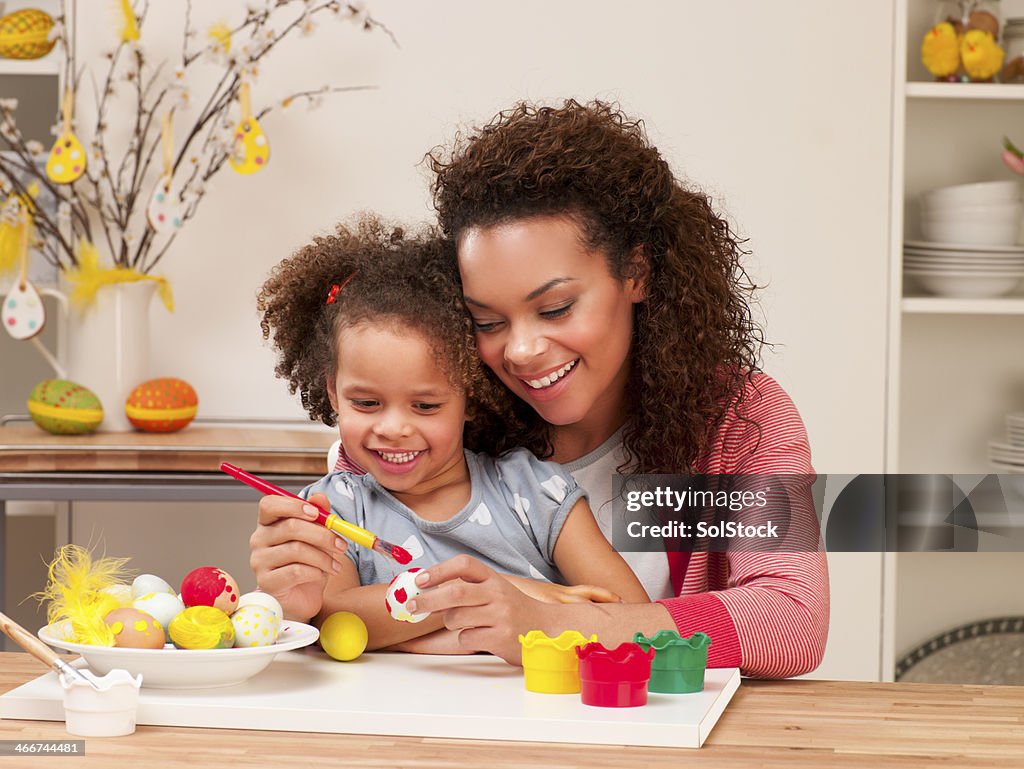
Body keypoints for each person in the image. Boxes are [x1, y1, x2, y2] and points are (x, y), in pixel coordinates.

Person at [251, 100, 829, 678]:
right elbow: (339, 627)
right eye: (487, 321)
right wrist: (294, 593)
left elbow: (790, 622)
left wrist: (544, 621)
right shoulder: (433, 424)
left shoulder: (736, 419)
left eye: (555, 307)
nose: (521, 351)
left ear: (637, 273)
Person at [251, 216, 648, 651]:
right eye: (366, 404)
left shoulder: (535, 491)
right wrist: (497, 593)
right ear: (333, 392)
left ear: (470, 399)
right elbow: (337, 618)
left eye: (425, 406)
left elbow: (631, 615)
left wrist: (410, 624)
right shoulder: (336, 511)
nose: (394, 429)